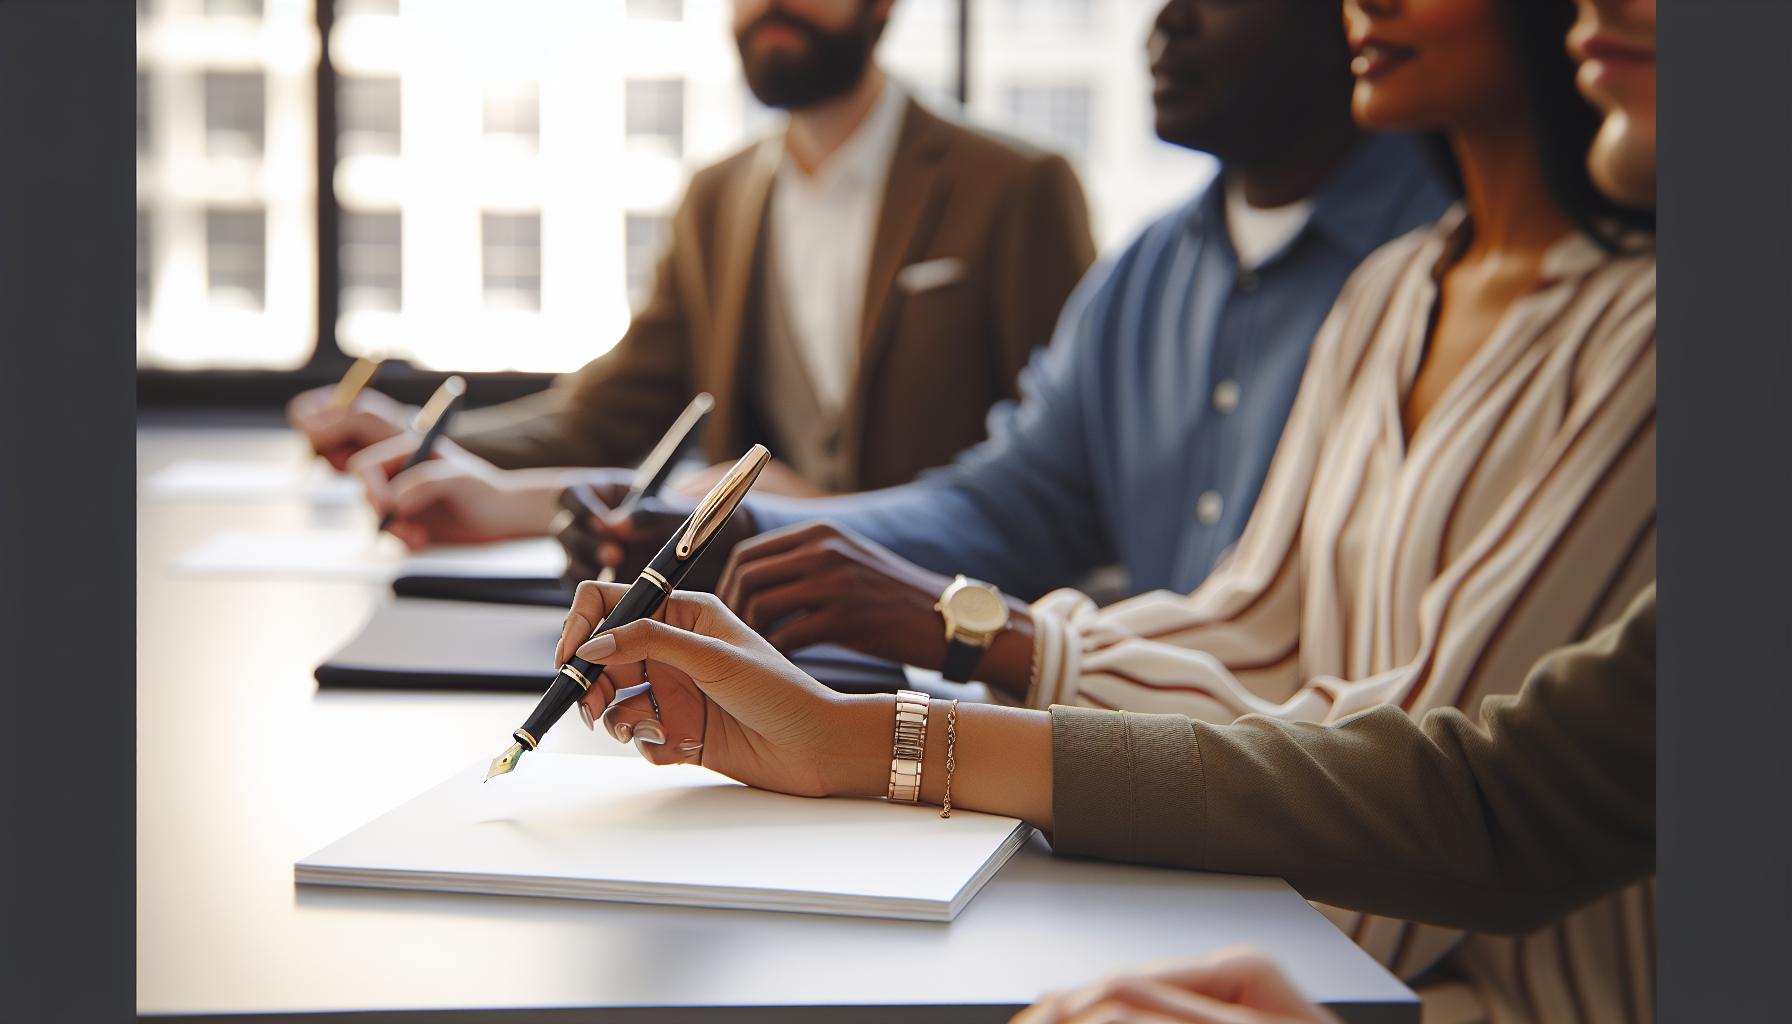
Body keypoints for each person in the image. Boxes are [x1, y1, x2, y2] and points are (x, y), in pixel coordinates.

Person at [574, 0, 1659, 1017]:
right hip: (1304, 924)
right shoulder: (1389, 286)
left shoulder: (1645, 330)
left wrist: (903, 724)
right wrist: (891, 700)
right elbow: (1251, 623)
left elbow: (1452, 799)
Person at [559, 0, 1454, 594]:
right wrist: (745, 526)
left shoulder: (1448, 266)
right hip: (1150, 775)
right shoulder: (1144, 279)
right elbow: (1009, 503)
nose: (1165, 24)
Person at [288, 0, 1096, 547]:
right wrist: (426, 438)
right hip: (762, 621)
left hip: (945, 630)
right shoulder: (719, 198)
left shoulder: (1018, 187)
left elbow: (1067, 474)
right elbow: (609, 414)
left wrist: (826, 510)